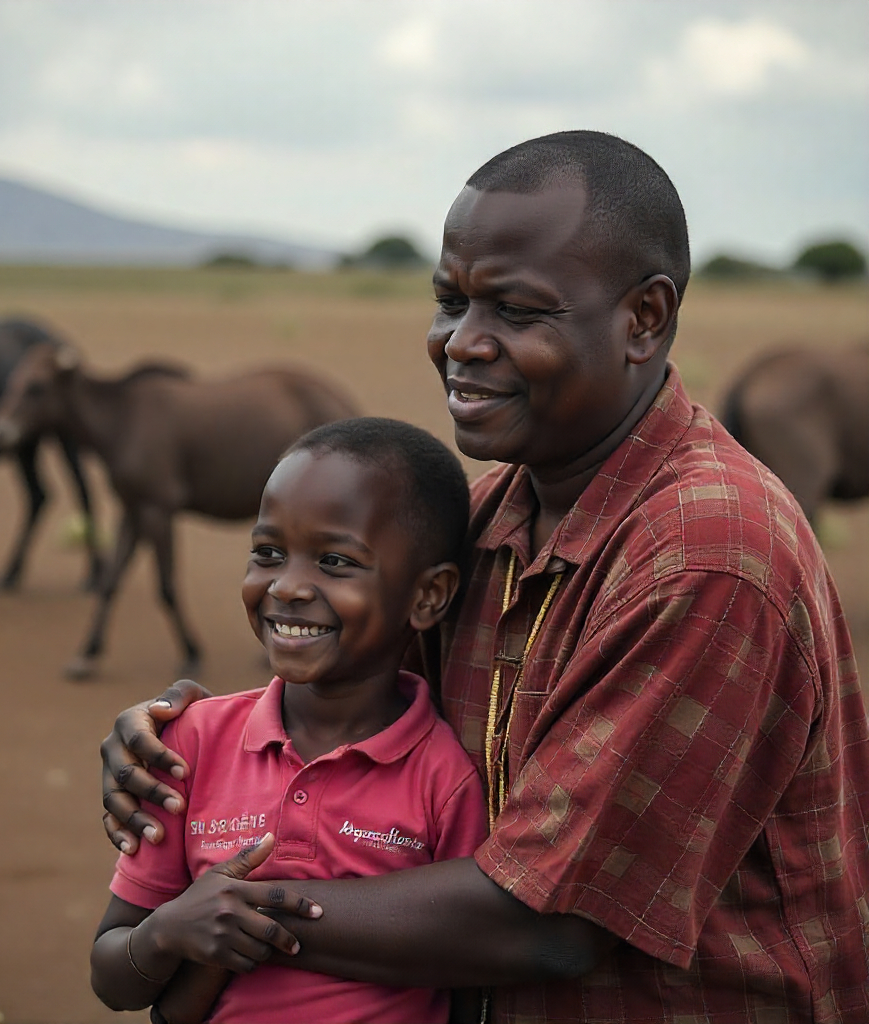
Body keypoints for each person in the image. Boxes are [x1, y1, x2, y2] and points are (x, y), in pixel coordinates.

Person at [98, 131, 869, 1023]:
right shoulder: (491, 509)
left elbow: (547, 921)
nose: (461, 344)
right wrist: (184, 743)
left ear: (644, 320)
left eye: (516, 309)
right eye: (450, 301)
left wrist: (220, 912)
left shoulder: (708, 557)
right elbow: (359, 710)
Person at [90, 417, 489, 1024]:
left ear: (427, 596)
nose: (288, 586)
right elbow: (114, 979)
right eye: (268, 553)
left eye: (334, 561)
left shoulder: (445, 776)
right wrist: (169, 930)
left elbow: (464, 970)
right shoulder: (191, 744)